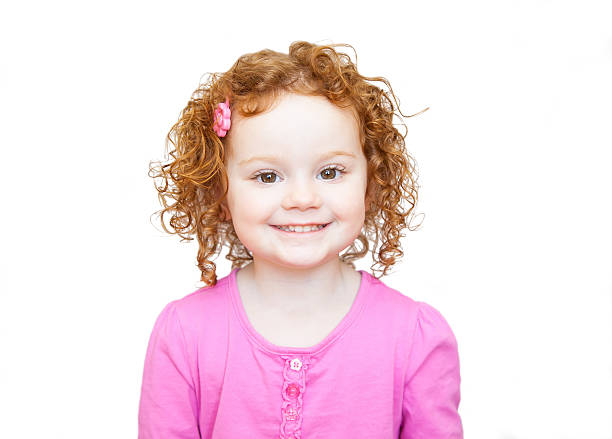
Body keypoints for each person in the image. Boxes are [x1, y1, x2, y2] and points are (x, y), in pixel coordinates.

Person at [139, 40, 463, 439]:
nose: (303, 200)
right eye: (267, 176)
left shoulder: (415, 337)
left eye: (329, 172)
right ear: (219, 193)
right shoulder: (184, 334)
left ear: (371, 181)